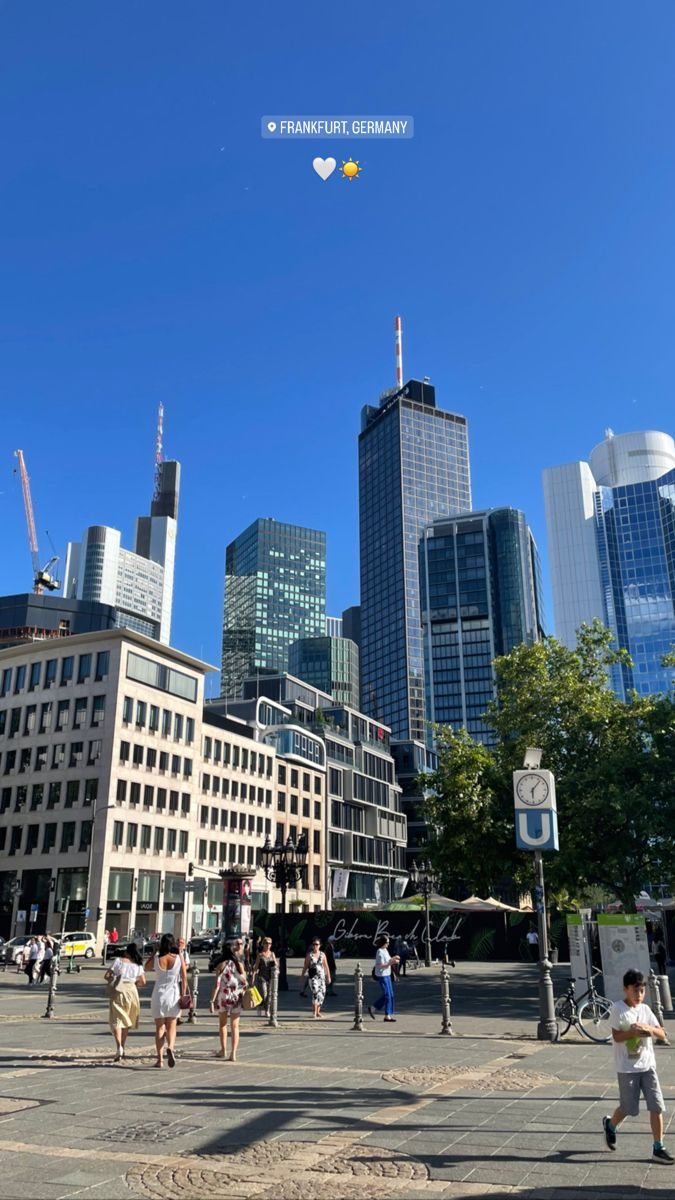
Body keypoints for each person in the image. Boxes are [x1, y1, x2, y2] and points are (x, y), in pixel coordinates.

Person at [603, 968, 673, 1164]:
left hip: (648, 1066)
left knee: (657, 1106)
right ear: (625, 989)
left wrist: (648, 1028)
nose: (639, 995)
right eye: (635, 991)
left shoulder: (645, 1010)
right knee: (628, 1108)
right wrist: (632, 1033)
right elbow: (616, 1036)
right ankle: (610, 1125)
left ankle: (658, 1147)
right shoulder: (618, 1009)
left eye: (642, 991)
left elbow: (662, 1034)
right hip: (627, 1068)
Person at [146, 933, 188, 1069]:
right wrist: (183, 994)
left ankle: (160, 1059)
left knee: (159, 1028)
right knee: (171, 1026)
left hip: (158, 995)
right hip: (173, 995)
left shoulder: (158, 958)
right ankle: (170, 1047)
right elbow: (184, 977)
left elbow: (146, 967)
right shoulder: (178, 957)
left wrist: (154, 952)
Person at [104, 942, 146, 1062]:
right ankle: (123, 1045)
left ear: (127, 951)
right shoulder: (138, 965)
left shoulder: (118, 961)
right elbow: (143, 981)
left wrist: (114, 979)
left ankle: (119, 1047)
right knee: (127, 1020)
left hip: (119, 990)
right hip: (132, 992)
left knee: (117, 1020)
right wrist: (133, 983)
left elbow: (107, 976)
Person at [209, 943, 247, 1060]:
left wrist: (212, 1001)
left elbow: (216, 985)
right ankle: (233, 1054)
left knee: (223, 1024)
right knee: (235, 1026)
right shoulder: (239, 965)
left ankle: (223, 1050)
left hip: (224, 997)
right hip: (236, 997)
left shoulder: (221, 965)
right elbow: (244, 982)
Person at [368, 934, 400, 1023]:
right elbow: (380, 965)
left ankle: (387, 1015)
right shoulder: (379, 952)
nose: (388, 944)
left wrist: (394, 958)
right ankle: (374, 1008)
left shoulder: (385, 950)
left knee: (391, 994)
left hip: (387, 974)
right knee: (387, 995)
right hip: (382, 976)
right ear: (383, 942)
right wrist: (391, 963)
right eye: (387, 942)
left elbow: (389, 960)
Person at [301, 938, 330, 1019]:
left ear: (320, 945)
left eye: (316, 944)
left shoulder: (323, 955)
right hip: (313, 977)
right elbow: (305, 966)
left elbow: (326, 966)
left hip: (321, 977)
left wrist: (328, 977)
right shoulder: (309, 955)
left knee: (322, 993)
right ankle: (314, 1012)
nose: (315, 946)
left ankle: (318, 1011)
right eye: (313, 944)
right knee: (315, 992)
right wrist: (302, 976)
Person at [252, 937, 277, 1016]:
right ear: (263, 944)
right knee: (264, 993)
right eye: (266, 943)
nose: (268, 945)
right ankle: (261, 1006)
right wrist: (253, 977)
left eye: (269, 943)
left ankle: (267, 1010)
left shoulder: (272, 954)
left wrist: (275, 966)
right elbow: (256, 967)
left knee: (269, 995)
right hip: (262, 976)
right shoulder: (260, 955)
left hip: (270, 977)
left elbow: (276, 965)